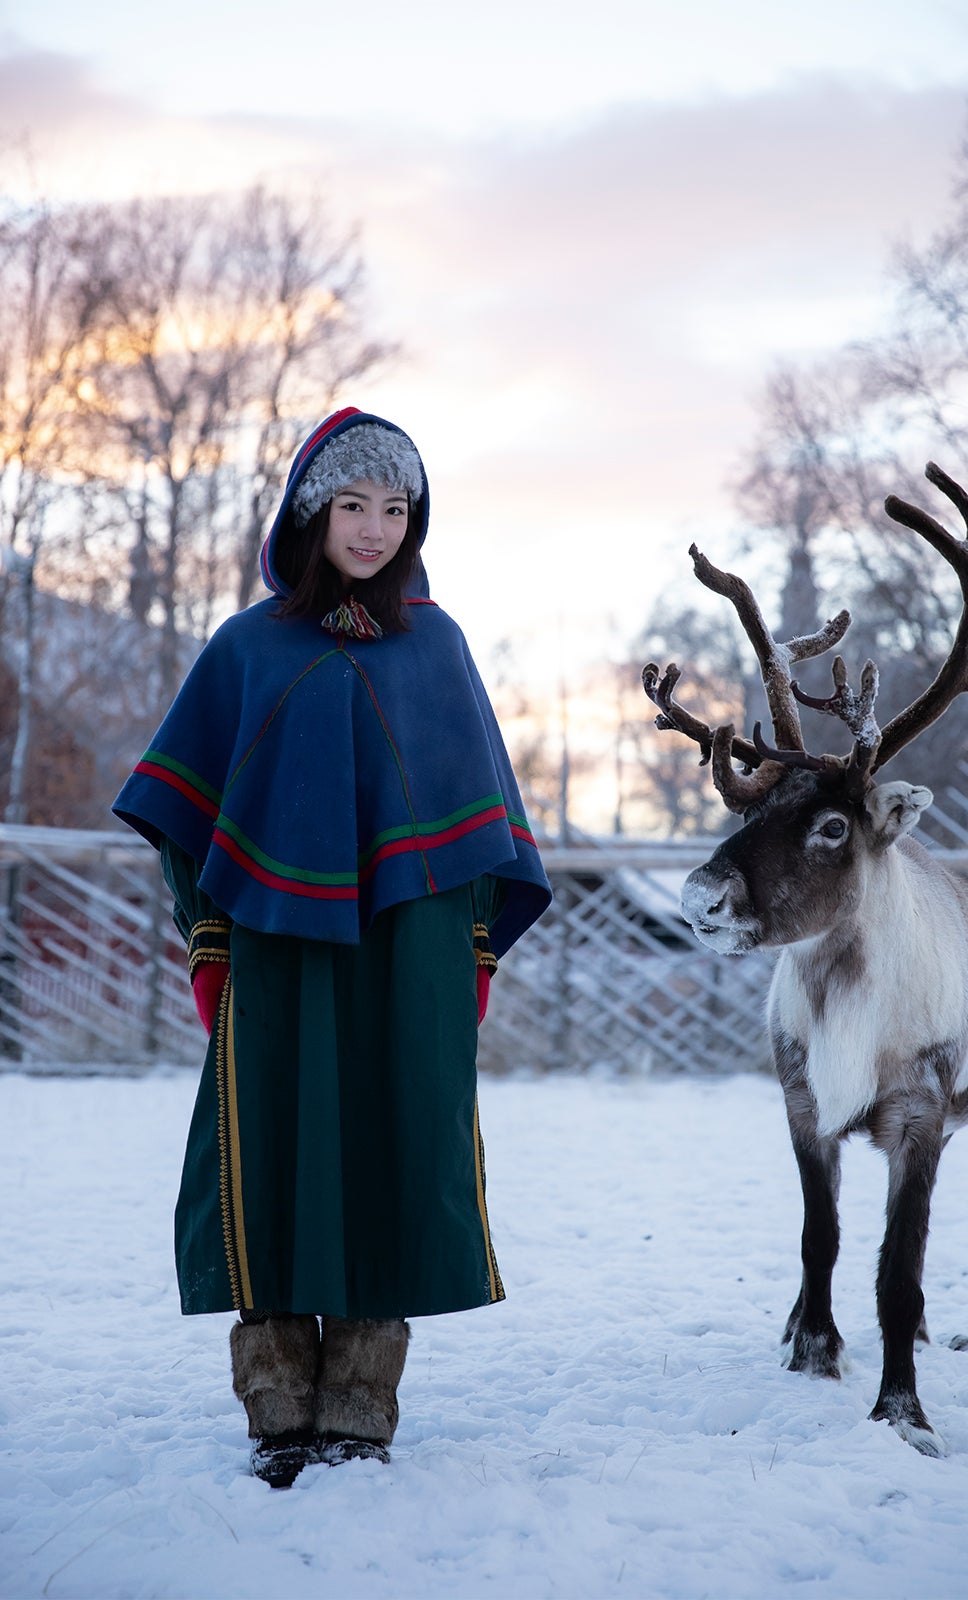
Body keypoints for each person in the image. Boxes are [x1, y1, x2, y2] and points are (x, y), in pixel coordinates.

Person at [114, 407, 551, 1488]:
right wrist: (209, 946)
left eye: (395, 509)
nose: (374, 530)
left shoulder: (438, 649)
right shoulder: (248, 651)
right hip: (276, 957)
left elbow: (490, 833)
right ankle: (276, 1401)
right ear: (311, 513)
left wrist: (474, 959)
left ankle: (360, 1397)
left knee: (391, 1147)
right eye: (353, 504)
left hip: (410, 962)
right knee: (271, 1150)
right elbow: (184, 823)